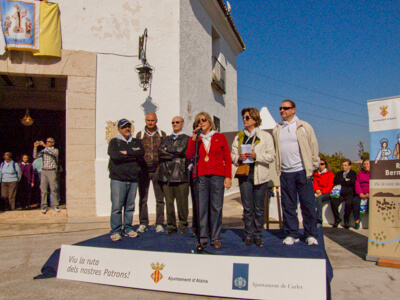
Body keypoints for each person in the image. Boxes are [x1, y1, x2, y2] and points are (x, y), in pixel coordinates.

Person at [272, 100, 319, 246]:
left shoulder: (304, 126)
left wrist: (313, 166)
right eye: (280, 108)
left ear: (294, 110)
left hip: (302, 171)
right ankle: (292, 233)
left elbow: (313, 146)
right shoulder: (277, 129)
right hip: (286, 172)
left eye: (285, 108)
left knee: (308, 204)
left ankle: (310, 234)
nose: (282, 110)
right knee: (288, 205)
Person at [186, 112, 232, 249]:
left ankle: (216, 237)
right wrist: (194, 140)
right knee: (201, 208)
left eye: (203, 120)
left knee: (216, 207)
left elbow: (227, 158)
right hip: (200, 176)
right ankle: (202, 237)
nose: (201, 122)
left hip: (217, 176)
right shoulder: (195, 139)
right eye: (198, 121)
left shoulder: (219, 137)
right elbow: (189, 155)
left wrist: (228, 176)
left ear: (209, 121)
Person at [231, 107, 275, 247]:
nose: (244, 119)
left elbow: (271, 156)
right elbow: (232, 155)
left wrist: (257, 156)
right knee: (247, 207)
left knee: (259, 207)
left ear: (255, 120)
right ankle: (248, 235)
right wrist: (239, 157)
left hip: (260, 175)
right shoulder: (239, 136)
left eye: (247, 117)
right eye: (243, 117)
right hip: (244, 175)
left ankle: (258, 235)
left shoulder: (265, 136)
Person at [107, 119, 145, 241]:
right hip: (118, 179)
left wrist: (127, 152)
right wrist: (133, 155)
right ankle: (116, 230)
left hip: (133, 179)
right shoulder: (114, 142)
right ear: (119, 129)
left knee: (130, 206)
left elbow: (141, 153)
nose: (127, 129)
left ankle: (128, 228)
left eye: (128, 126)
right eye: (124, 127)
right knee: (117, 206)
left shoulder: (135, 141)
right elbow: (115, 156)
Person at [158, 116, 190, 235]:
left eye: (177, 122)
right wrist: (173, 153)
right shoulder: (165, 138)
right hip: (166, 175)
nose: (175, 124)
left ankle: (183, 226)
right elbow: (160, 153)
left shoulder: (187, 139)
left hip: (181, 174)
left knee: (182, 204)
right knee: (169, 204)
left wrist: (168, 150)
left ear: (182, 123)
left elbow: (182, 150)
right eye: (173, 122)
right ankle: (171, 226)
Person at [136, 112, 166, 233]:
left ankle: (159, 223)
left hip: (158, 169)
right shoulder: (140, 135)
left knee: (160, 198)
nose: (150, 122)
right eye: (148, 120)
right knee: (143, 198)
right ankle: (143, 223)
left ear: (156, 121)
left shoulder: (162, 135)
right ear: (145, 120)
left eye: (152, 120)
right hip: (143, 170)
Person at [33, 137, 60, 214]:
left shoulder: (55, 150)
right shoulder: (44, 151)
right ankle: (44, 205)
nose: (47, 142)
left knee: (53, 189)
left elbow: (54, 153)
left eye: (49, 141)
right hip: (44, 171)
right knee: (43, 189)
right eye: (46, 141)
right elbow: (35, 156)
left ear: (52, 143)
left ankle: (55, 205)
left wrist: (45, 145)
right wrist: (35, 147)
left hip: (52, 171)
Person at [330, 159, 357, 229]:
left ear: (349, 166)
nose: (343, 167)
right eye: (342, 165)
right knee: (333, 202)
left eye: (345, 165)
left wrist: (342, 182)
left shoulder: (353, 173)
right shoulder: (339, 174)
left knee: (349, 203)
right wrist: (344, 180)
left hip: (349, 193)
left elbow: (352, 182)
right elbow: (335, 181)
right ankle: (337, 219)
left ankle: (346, 221)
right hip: (340, 193)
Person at [313, 158, 335, 227]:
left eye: (322, 164)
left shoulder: (330, 174)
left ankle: (319, 221)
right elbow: (315, 184)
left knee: (319, 199)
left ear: (325, 165)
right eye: (319, 164)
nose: (320, 165)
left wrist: (321, 193)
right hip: (318, 192)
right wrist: (317, 190)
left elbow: (330, 186)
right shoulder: (316, 174)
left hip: (327, 193)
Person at [352, 159, 370, 229]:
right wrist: (360, 193)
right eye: (364, 164)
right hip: (361, 193)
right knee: (355, 202)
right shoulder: (360, 173)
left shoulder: (374, 173)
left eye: (367, 164)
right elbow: (357, 184)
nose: (365, 165)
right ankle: (357, 220)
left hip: (370, 193)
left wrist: (369, 194)